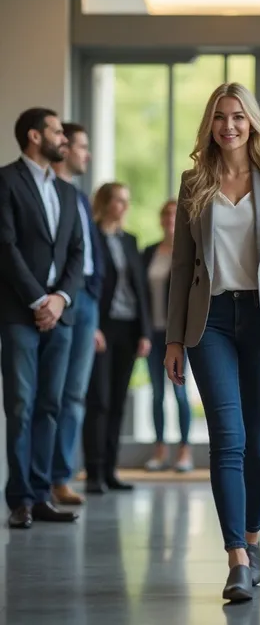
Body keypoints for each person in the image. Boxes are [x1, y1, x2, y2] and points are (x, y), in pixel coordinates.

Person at [164, 82, 260, 602]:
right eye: (220, 117)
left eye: (238, 117)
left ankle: (253, 536)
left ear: (252, 123)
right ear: (210, 124)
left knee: (259, 444)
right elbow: (182, 267)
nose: (229, 126)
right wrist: (173, 339)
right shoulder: (193, 183)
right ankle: (237, 559)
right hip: (211, 323)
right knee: (226, 439)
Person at [0, 108, 85, 529]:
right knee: (20, 404)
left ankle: (41, 493)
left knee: (49, 405)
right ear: (35, 136)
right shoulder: (6, 180)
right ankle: (19, 500)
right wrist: (38, 300)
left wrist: (61, 299)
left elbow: (76, 252)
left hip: (62, 315)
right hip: (20, 313)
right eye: (56, 132)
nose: (64, 140)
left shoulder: (68, 192)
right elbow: (5, 247)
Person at [82, 182, 151, 494]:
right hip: (102, 327)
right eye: (119, 200)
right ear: (105, 203)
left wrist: (145, 333)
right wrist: (91, 325)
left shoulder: (130, 240)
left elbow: (141, 291)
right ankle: (94, 472)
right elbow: (86, 285)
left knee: (119, 403)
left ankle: (110, 471)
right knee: (99, 400)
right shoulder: (91, 235)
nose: (124, 206)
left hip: (128, 328)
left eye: (127, 201)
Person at [50, 123, 104, 506]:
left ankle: (61, 478)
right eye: (82, 147)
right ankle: (43, 480)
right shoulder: (46, 192)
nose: (87, 155)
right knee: (49, 394)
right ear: (64, 147)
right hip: (59, 298)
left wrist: (95, 298)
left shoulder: (80, 197)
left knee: (74, 395)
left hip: (87, 299)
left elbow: (90, 251)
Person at [143, 199, 193, 473]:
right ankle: (160, 448)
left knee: (180, 393)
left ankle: (184, 451)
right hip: (153, 333)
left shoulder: (188, 252)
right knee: (156, 394)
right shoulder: (149, 252)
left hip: (180, 336)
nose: (169, 221)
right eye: (166, 216)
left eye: (175, 216)